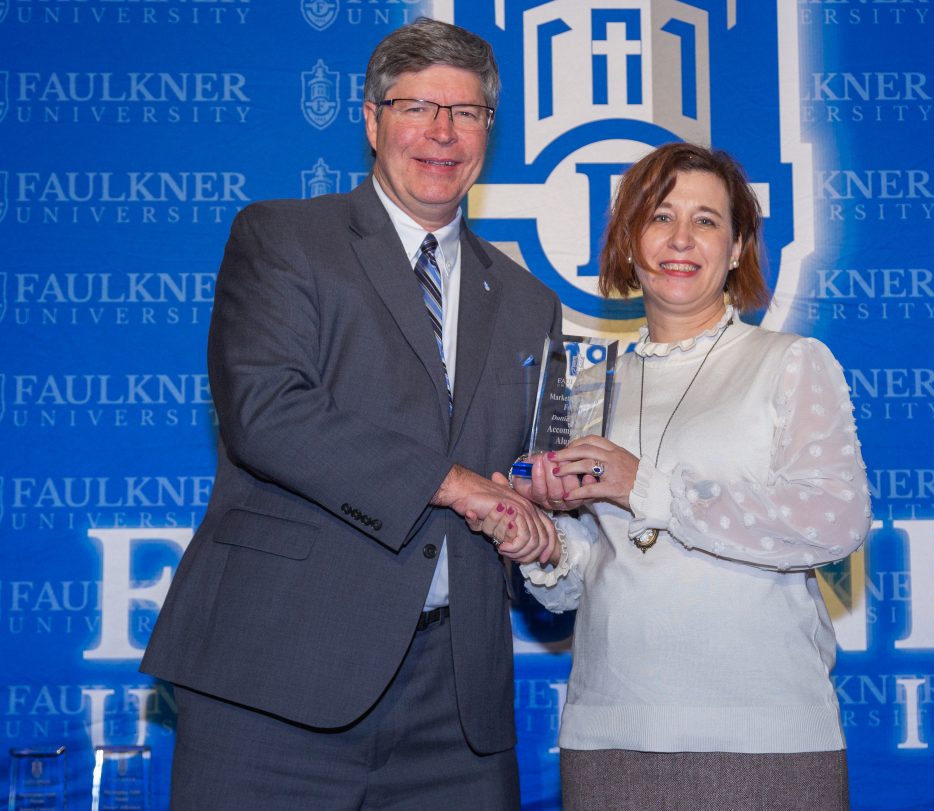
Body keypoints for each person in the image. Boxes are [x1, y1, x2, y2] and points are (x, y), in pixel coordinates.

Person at [141, 18, 561, 810]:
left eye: (466, 113)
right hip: (277, 682)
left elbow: (526, 472)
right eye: (416, 107)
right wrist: (457, 484)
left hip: (457, 708)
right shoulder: (284, 238)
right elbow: (267, 411)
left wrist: (546, 509)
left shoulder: (529, 302)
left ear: (488, 132)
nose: (442, 133)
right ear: (371, 120)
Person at [514, 142, 872, 811]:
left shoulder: (790, 360)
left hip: (765, 736)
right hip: (610, 731)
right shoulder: (587, 384)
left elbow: (834, 521)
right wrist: (538, 539)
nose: (681, 239)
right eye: (660, 216)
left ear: (737, 248)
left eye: (706, 220)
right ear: (629, 237)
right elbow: (582, 583)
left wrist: (643, 486)